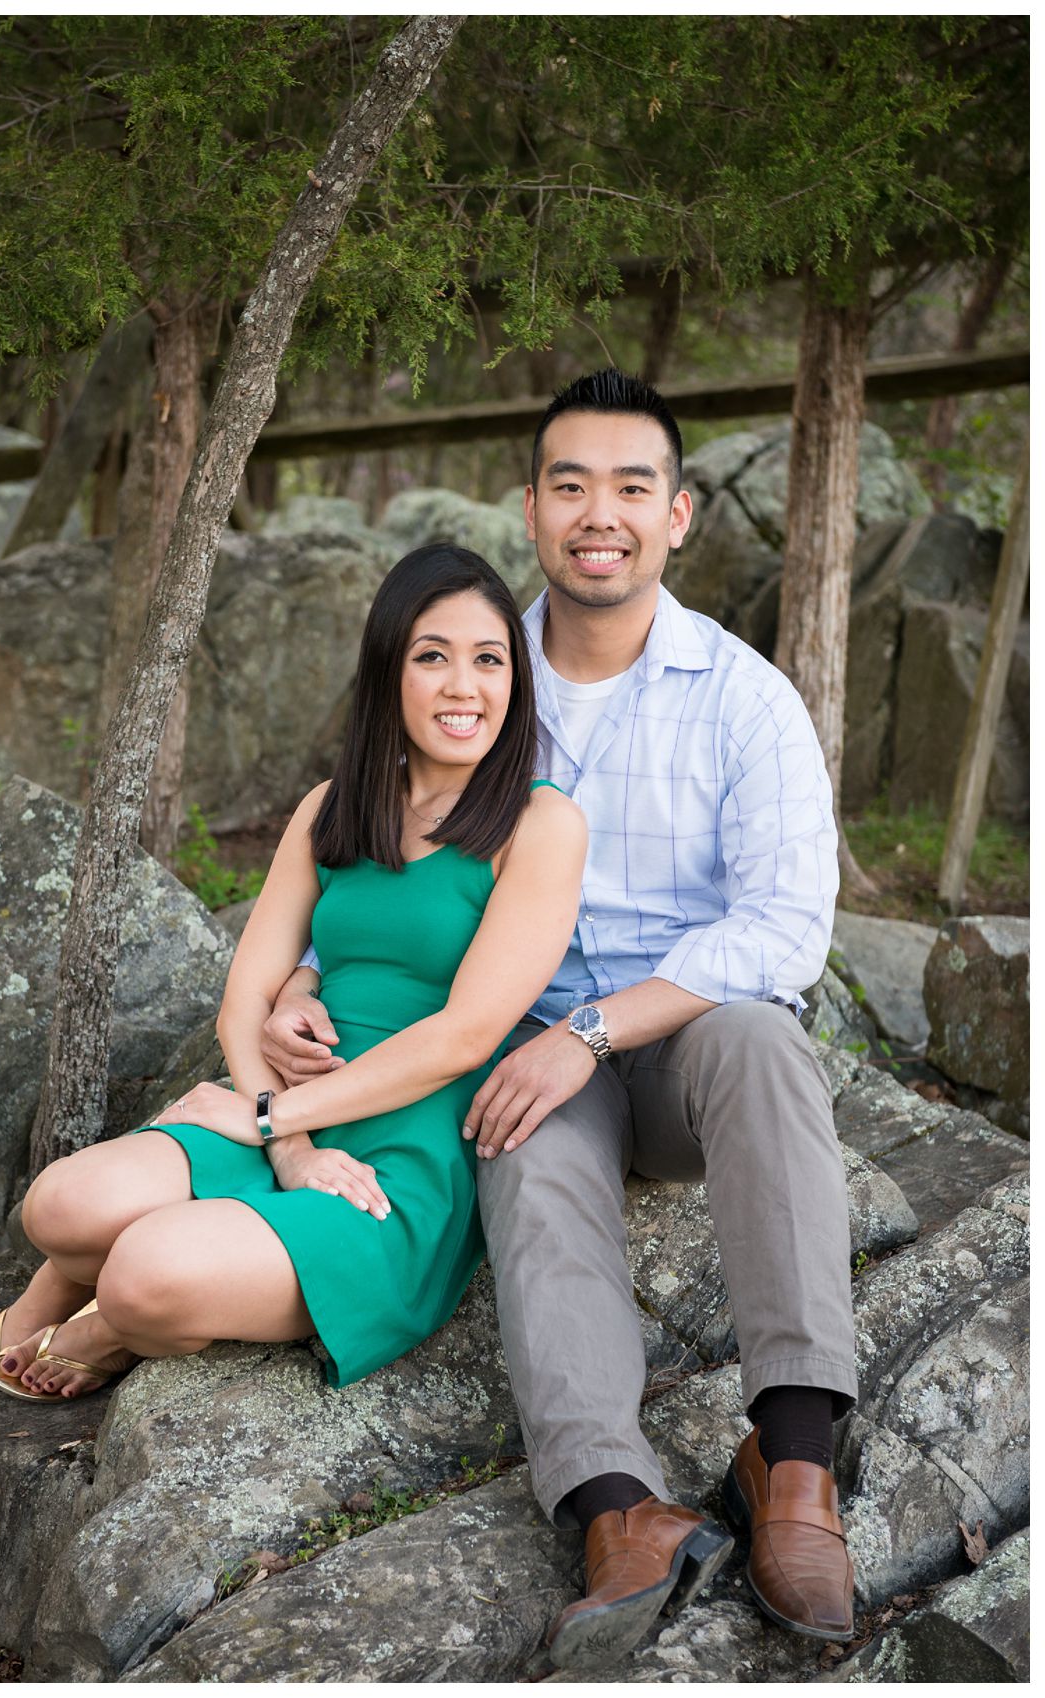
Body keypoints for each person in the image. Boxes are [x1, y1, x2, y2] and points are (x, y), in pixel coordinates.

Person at [261, 370, 852, 1669]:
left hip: (680, 1037)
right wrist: (304, 976)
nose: (602, 513)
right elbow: (366, 844)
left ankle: (797, 1461)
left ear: (679, 514)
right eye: (570, 484)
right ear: (529, 510)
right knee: (519, 1144)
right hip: (507, 1031)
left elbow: (780, 933)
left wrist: (589, 1031)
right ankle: (616, 1506)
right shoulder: (474, 677)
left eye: (632, 487)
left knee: (764, 1035)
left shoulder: (744, 698)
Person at [0, 546, 586, 1407]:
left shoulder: (542, 823)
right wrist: (284, 1145)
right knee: (57, 1206)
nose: (463, 686)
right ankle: (63, 1276)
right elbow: (245, 1000)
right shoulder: (332, 807)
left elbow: (465, 1035)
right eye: (432, 656)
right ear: (387, 670)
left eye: (489, 659)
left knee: (145, 1273)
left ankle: (105, 1324)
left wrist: (267, 1116)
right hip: (288, 1121)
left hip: (402, 1155)